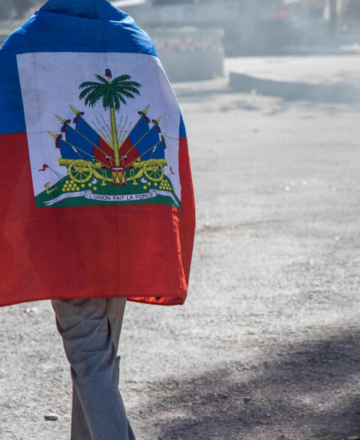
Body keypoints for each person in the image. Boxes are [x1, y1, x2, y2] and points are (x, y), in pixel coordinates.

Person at [0, 1, 196, 438]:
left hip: (65, 227)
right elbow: (168, 135)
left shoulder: (25, 43)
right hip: (130, 222)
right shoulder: (135, 42)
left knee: (90, 358)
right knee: (99, 360)